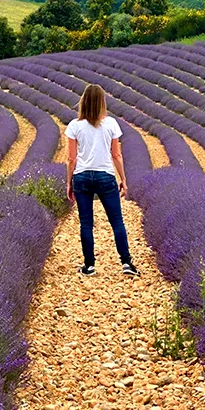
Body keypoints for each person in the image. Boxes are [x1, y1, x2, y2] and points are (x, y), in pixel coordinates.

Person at [65, 84, 140, 277]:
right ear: (102, 102)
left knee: (86, 223)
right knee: (117, 221)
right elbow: (116, 155)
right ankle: (126, 263)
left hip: (82, 176)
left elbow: (71, 158)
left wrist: (69, 182)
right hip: (105, 175)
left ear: (83, 101)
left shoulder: (74, 126)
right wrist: (123, 178)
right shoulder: (111, 124)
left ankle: (89, 266)